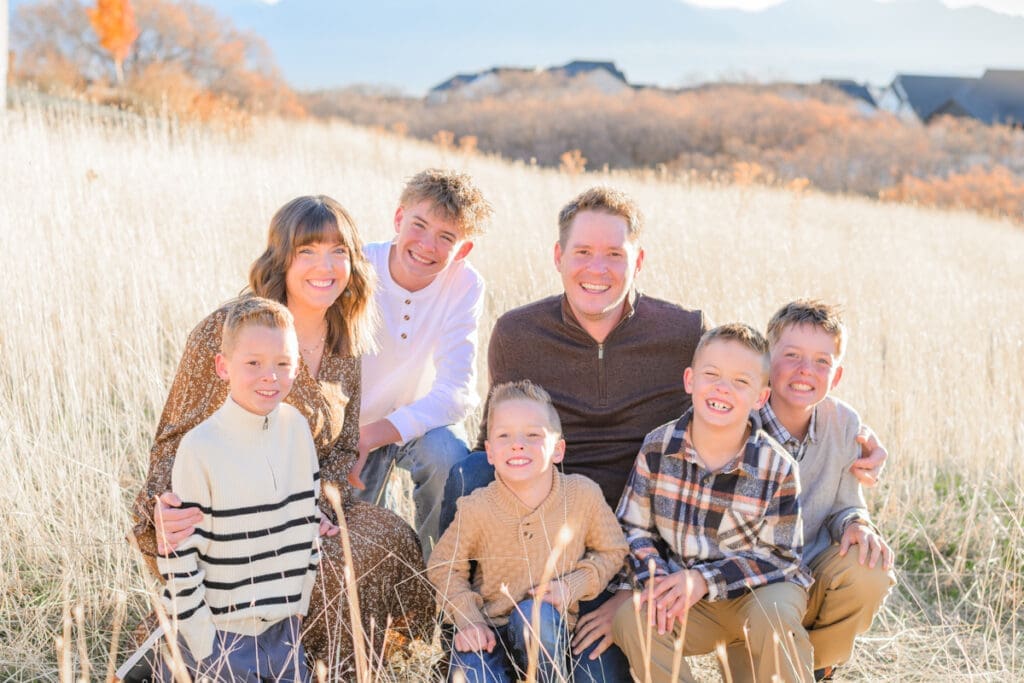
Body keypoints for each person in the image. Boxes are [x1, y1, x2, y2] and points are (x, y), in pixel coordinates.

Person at [440, 186, 890, 675]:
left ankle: (800, 661)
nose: (598, 268)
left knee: (600, 670)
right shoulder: (518, 333)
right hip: (556, 509)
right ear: (558, 256)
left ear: (639, 260)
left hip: (642, 531)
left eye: (615, 254)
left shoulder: (681, 331)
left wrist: (849, 429)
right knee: (467, 471)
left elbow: (737, 390)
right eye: (583, 252)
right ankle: (467, 633)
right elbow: (505, 433)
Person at [129, 196, 433, 677]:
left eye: (339, 252)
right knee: (330, 568)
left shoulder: (343, 337)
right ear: (281, 259)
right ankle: (200, 647)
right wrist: (166, 507)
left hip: (299, 504)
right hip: (227, 514)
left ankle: (342, 664)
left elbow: (342, 445)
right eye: (307, 251)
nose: (325, 266)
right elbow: (175, 435)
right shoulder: (229, 330)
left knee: (389, 537)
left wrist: (318, 505)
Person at [612, 323, 814, 683]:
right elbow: (633, 526)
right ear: (690, 380)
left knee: (776, 618)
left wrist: (704, 579)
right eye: (712, 375)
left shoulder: (776, 465)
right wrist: (658, 580)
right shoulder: (658, 447)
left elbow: (782, 556)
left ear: (760, 397)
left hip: (758, 596)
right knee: (633, 616)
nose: (723, 388)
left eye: (741, 381)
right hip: (686, 598)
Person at [136, 297, 319, 681]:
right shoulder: (201, 447)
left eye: (283, 363)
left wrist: (298, 607)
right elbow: (179, 555)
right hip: (217, 637)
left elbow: (308, 522)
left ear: (297, 366)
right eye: (253, 363)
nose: (269, 376)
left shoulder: (298, 430)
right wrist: (203, 642)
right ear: (224, 366)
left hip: (283, 633)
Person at [723, 300, 896, 681]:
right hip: (750, 589)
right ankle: (778, 658)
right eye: (792, 355)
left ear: (835, 377)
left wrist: (856, 524)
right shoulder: (736, 420)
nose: (806, 370)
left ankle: (816, 662)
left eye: (822, 361)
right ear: (767, 362)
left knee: (869, 568)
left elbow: (847, 505)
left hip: (810, 575)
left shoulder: (843, 422)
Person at [427, 380, 627, 683]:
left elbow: (613, 551)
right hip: (489, 633)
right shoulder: (476, 507)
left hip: (552, 630)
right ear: (490, 452)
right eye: (504, 435)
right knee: (471, 676)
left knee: (537, 615)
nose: (517, 444)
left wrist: (572, 585)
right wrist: (469, 620)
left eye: (533, 435)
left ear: (558, 449)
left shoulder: (582, 495)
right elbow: (444, 566)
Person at [354, 168, 493, 555]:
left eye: (446, 237)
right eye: (419, 225)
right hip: (350, 426)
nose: (427, 246)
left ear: (462, 250)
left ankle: (436, 575)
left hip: (416, 425)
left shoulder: (465, 284)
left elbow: (456, 394)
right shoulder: (359, 266)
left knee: (448, 456)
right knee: (352, 539)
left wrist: (378, 433)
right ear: (399, 219)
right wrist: (356, 435)